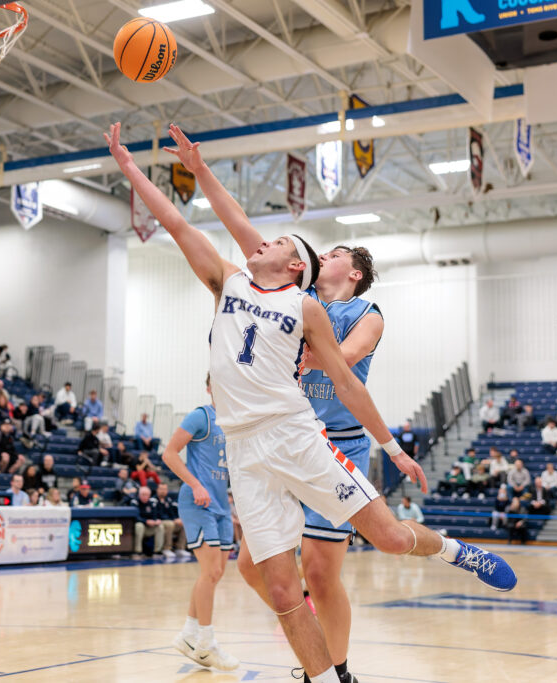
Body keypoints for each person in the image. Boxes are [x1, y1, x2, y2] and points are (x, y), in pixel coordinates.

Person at [116, 121, 514, 683]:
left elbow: (347, 373)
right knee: (276, 583)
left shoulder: (333, 313)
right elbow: (199, 223)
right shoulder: (240, 283)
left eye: (323, 252)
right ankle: (326, 674)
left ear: (327, 268)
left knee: (381, 545)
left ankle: (453, 553)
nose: (264, 244)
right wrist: (172, 168)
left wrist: (392, 447)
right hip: (249, 449)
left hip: (313, 438)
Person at [161, 380, 238, 670]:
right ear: (210, 387)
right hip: (198, 502)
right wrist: (194, 484)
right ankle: (206, 643)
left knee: (215, 574)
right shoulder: (201, 416)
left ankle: (188, 634)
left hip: (220, 505)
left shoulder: (235, 420)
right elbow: (169, 453)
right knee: (211, 571)